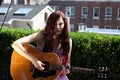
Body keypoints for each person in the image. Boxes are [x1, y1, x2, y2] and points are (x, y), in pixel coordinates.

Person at [11, 11, 72, 80]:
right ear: (50, 24)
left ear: (65, 24)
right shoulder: (42, 35)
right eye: (54, 24)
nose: (57, 27)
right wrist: (34, 60)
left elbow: (67, 64)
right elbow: (15, 44)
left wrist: (66, 69)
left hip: (59, 77)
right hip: (39, 77)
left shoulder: (68, 41)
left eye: (60, 24)